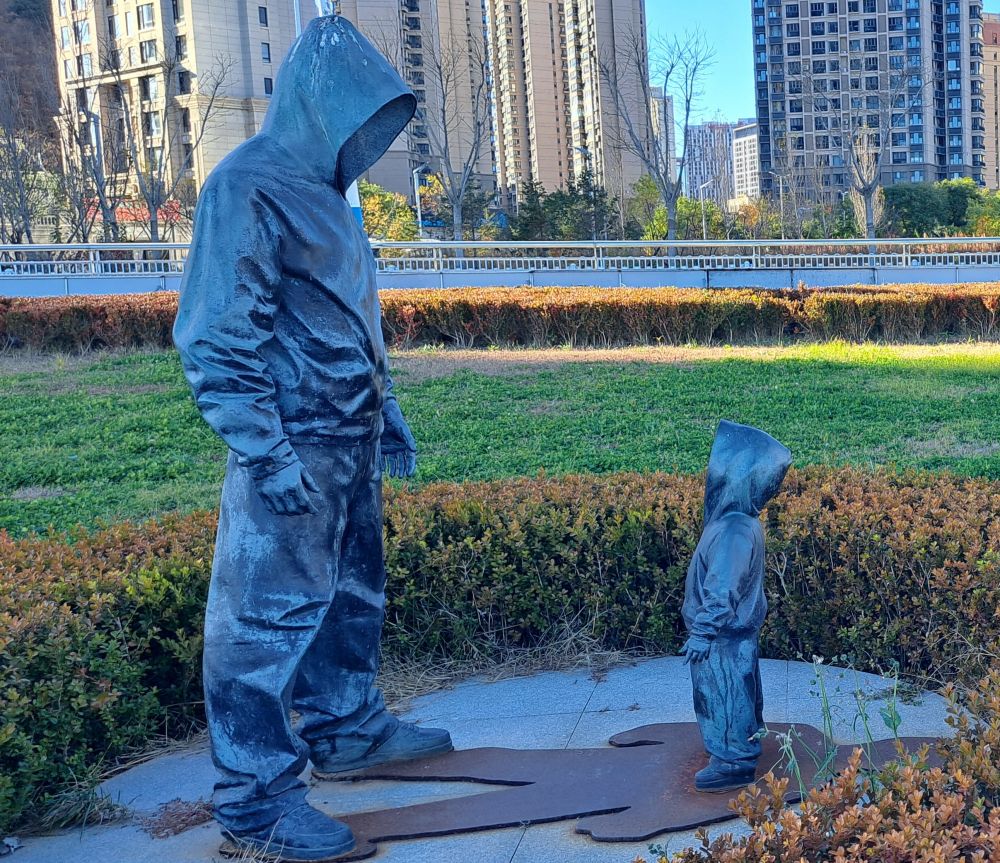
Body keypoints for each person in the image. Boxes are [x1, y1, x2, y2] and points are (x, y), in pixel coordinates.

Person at [173, 16, 452, 862]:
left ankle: (347, 724)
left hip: (349, 439)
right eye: (357, 118)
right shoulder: (245, 187)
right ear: (317, 104)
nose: (366, 141)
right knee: (265, 618)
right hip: (290, 446)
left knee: (351, 595)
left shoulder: (331, 199)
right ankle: (255, 798)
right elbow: (217, 335)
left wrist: (385, 407)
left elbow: (350, 320)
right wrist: (265, 448)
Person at [680, 420, 791, 793]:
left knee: (723, 694)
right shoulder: (736, 523)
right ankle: (742, 740)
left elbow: (723, 587)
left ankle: (733, 761)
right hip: (730, 634)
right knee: (738, 691)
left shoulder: (733, 530)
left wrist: (703, 632)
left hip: (722, 636)